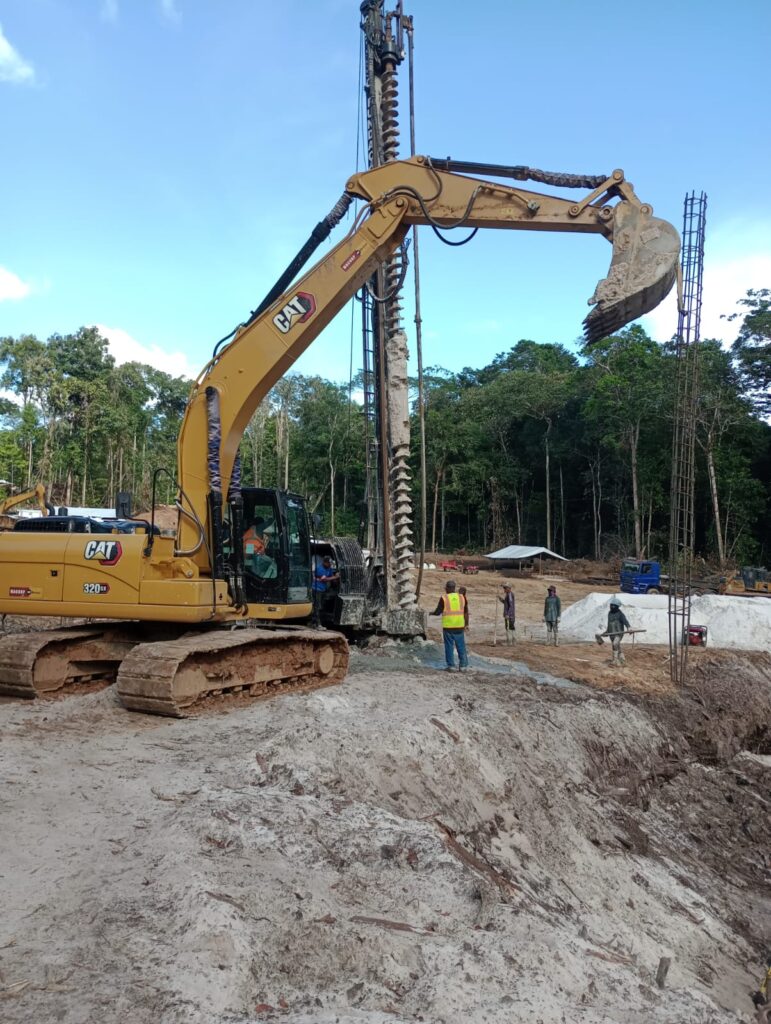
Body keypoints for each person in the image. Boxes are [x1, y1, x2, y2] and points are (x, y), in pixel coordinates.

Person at [430, 579, 468, 671]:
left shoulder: (444, 598)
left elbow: (438, 612)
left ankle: (451, 666)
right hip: (459, 626)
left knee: (449, 647)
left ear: (447, 588)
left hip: (448, 627)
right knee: (461, 646)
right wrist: (466, 624)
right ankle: (463, 666)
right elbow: (466, 612)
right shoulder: (461, 597)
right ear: (454, 588)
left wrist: (431, 613)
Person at [312, 555, 340, 626]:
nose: (330, 564)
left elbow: (331, 577)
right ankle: (316, 623)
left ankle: (316, 621)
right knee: (317, 606)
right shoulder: (319, 568)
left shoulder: (329, 569)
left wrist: (336, 578)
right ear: (324, 562)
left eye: (330, 563)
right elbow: (324, 579)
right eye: (328, 563)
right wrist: (335, 577)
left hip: (323, 589)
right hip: (317, 589)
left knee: (321, 606)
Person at [606, 598, 631, 665]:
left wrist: (629, 627)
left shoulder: (620, 614)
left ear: (617, 607)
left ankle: (615, 660)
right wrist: (607, 631)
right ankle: (622, 659)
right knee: (616, 646)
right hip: (611, 633)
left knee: (615, 644)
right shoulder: (609, 613)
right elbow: (609, 623)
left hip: (618, 633)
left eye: (614, 606)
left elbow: (625, 621)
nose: (612, 607)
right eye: (611, 605)